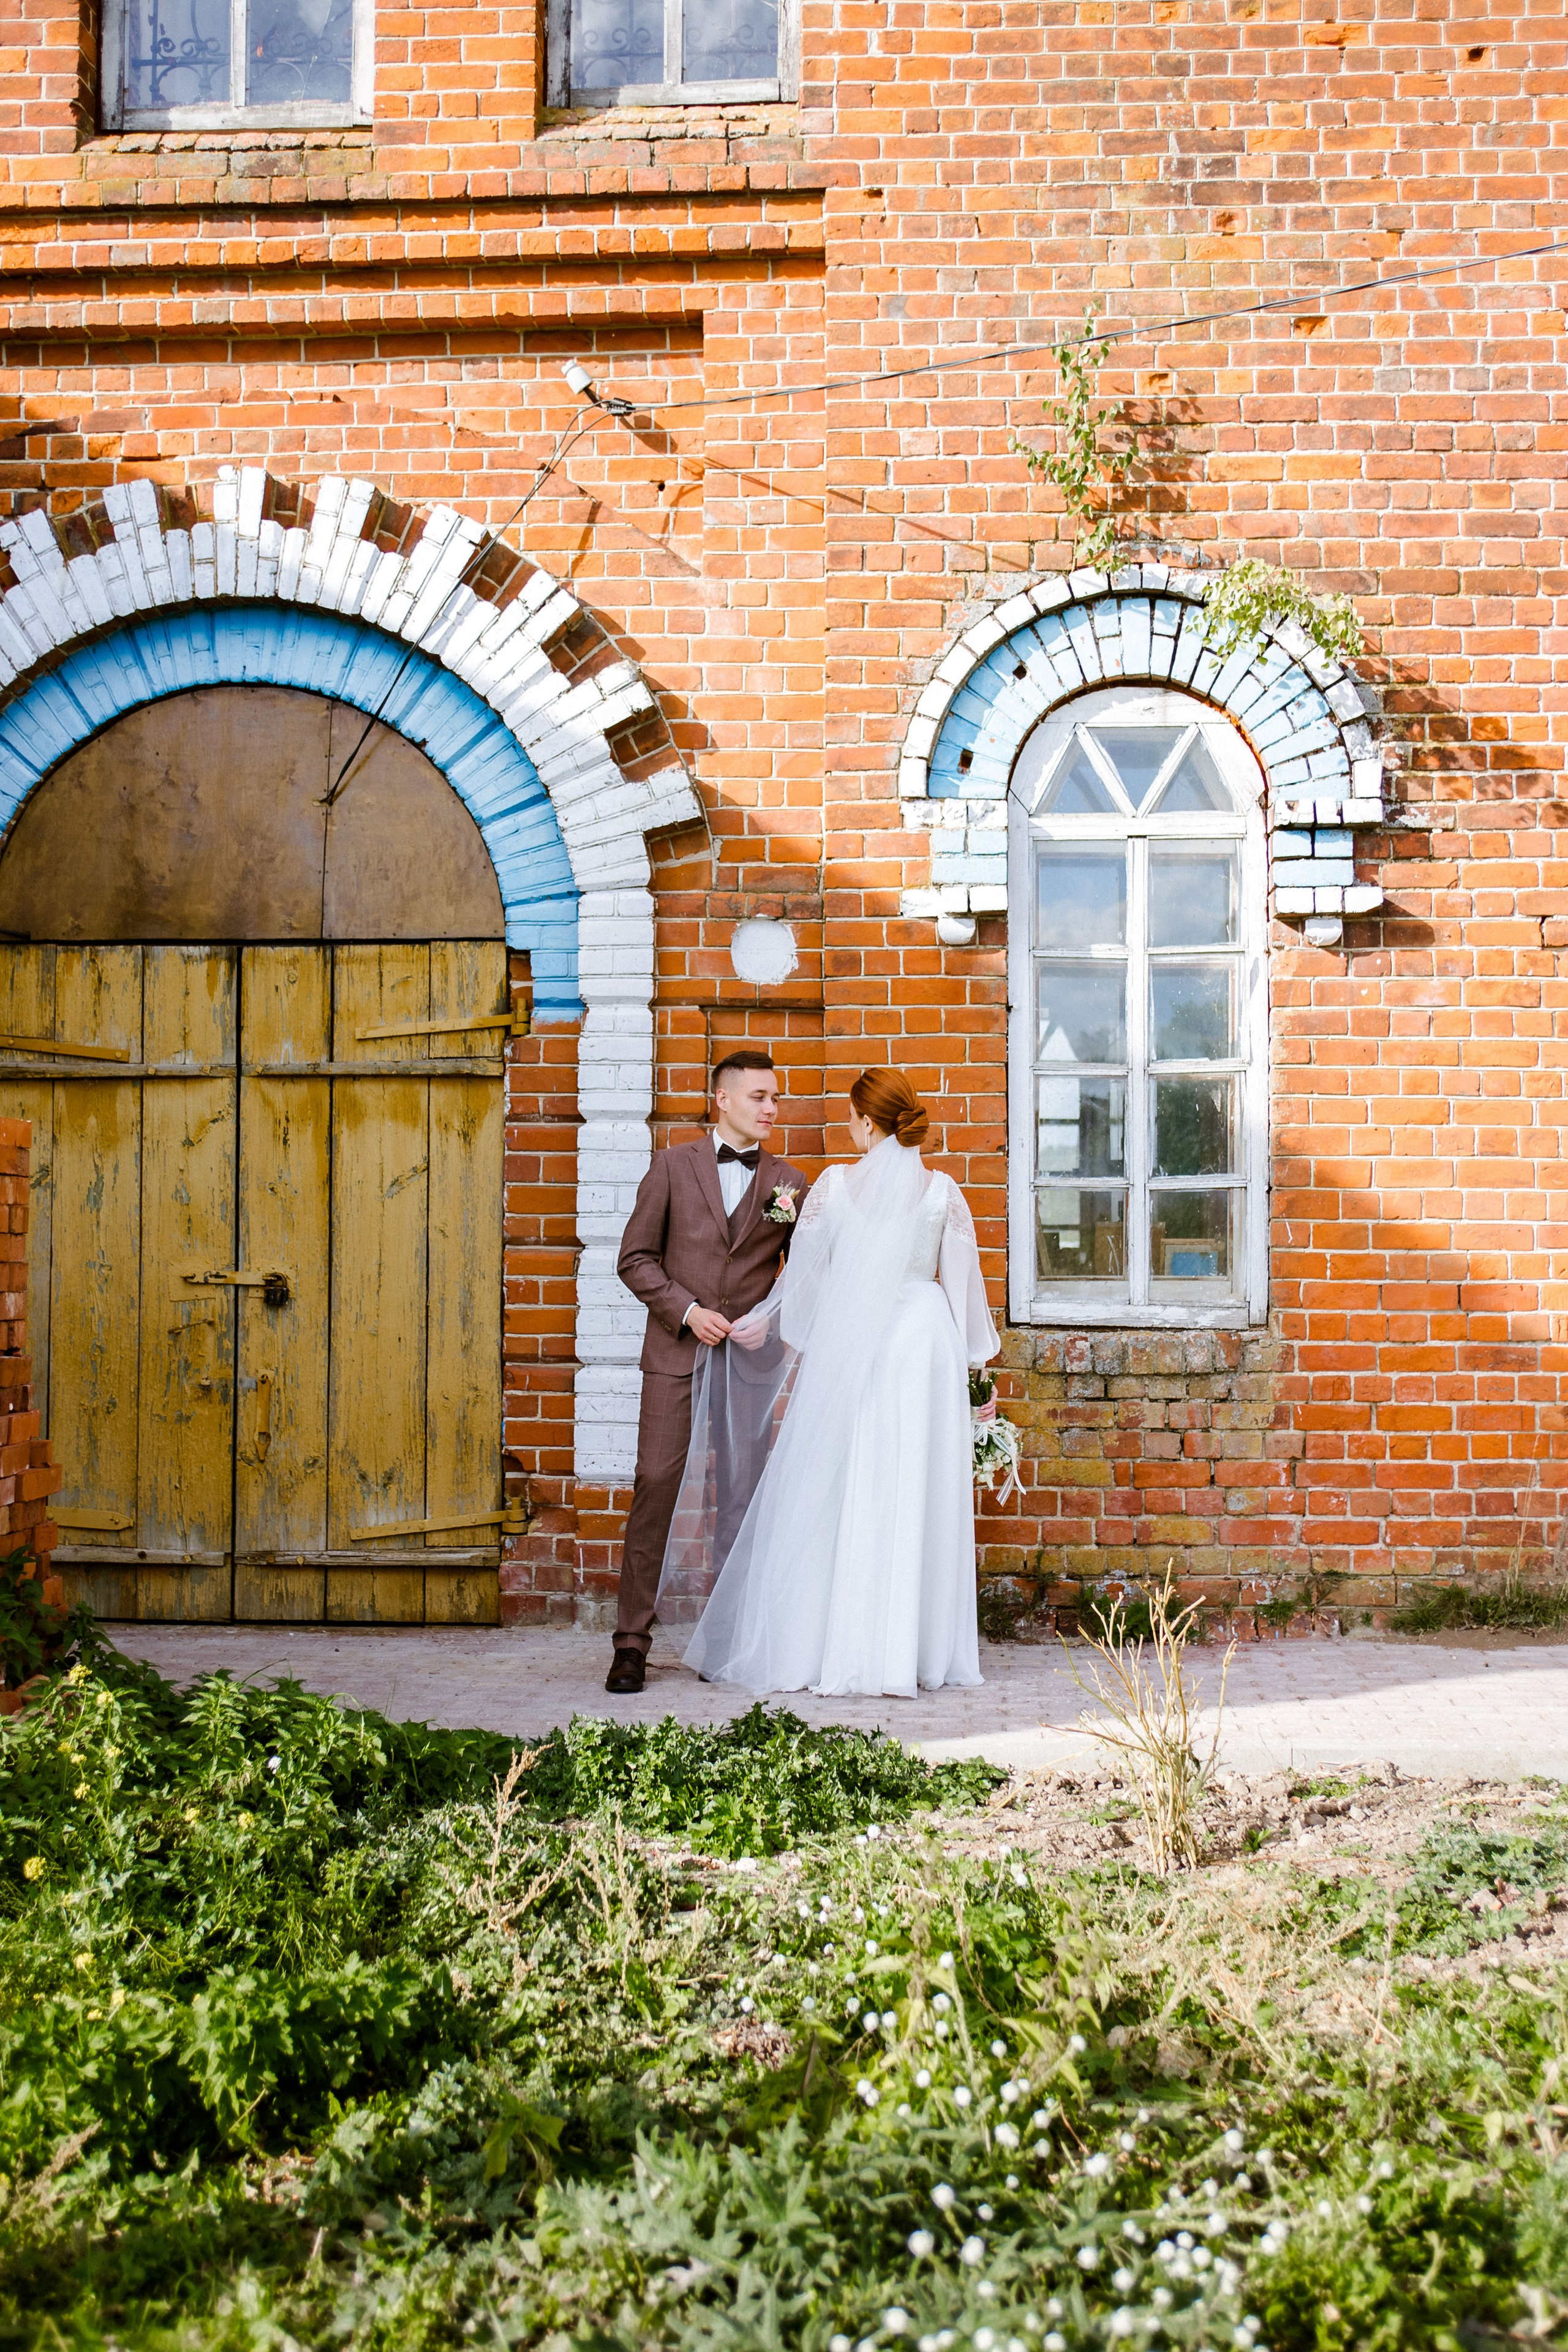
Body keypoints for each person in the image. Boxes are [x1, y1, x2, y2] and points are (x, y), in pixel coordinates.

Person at [658, 1067, 1000, 1698]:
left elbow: (803, 1285)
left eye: (850, 1117)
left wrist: (788, 1328)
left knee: (844, 1485)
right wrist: (977, 1371)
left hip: (853, 1343)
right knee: (913, 1487)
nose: (848, 1127)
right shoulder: (943, 1192)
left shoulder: (832, 1188)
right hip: (923, 1345)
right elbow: (963, 1290)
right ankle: (913, 1649)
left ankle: (835, 1643)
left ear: (867, 1122)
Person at [607, 1047, 810, 1696]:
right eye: (759, 1097)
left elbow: (804, 1277)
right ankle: (631, 1644)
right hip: (675, 1357)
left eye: (775, 1098)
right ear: (722, 1099)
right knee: (655, 1484)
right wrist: (688, 1312)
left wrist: (769, 1319)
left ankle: (724, 1641)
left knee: (740, 1497)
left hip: (749, 1365)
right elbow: (635, 1259)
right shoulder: (671, 1168)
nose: (772, 1108)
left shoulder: (789, 1183)